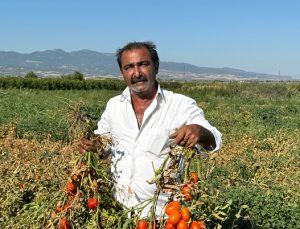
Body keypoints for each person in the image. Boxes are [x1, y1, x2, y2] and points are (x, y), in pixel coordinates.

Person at [79, 41, 222, 218]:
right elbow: (104, 144)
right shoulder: (114, 105)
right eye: (129, 67)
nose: (137, 73)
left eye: (143, 64)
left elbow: (214, 139)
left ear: (156, 66)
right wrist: (93, 145)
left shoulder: (180, 105)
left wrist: (199, 131)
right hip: (118, 211)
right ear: (122, 72)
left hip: (164, 214)